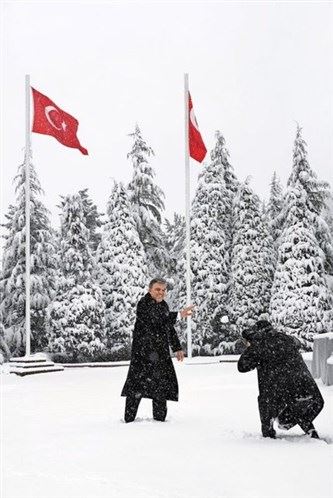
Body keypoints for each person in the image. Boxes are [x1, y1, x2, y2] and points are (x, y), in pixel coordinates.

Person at [121, 278, 194, 423]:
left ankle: (160, 421)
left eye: (163, 290)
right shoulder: (143, 304)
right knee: (136, 388)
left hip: (160, 354)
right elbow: (156, 319)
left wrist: (177, 347)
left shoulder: (164, 306)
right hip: (142, 355)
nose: (161, 293)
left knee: (161, 387)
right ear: (150, 290)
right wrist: (178, 315)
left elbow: (168, 327)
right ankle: (128, 421)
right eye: (157, 290)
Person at [237, 320, 324, 439]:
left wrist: (253, 343)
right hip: (308, 389)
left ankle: (268, 435)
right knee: (297, 407)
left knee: (266, 402)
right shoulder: (288, 339)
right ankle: (310, 430)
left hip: (277, 393)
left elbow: (242, 366)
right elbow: (297, 343)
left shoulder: (259, 344)